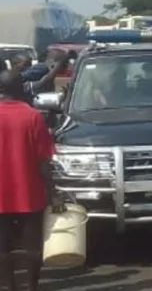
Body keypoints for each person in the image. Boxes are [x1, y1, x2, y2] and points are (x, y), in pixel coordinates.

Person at [0, 70, 64, 291]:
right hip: (29, 193)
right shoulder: (33, 116)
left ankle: (9, 286)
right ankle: (32, 287)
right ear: (22, 88)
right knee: (32, 245)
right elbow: (44, 162)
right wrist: (54, 194)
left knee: (3, 245)